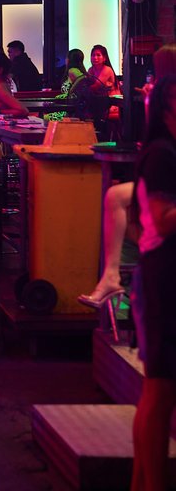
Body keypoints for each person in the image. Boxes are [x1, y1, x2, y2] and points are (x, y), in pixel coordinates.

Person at [78, 45, 176, 310]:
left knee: (122, 196)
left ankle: (117, 274)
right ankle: (112, 275)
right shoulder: (160, 96)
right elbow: (158, 131)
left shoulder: (164, 94)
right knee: (116, 195)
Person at [130, 75, 176, 491]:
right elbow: (162, 221)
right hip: (162, 277)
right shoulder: (162, 154)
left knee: (160, 391)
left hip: (161, 273)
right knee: (160, 391)